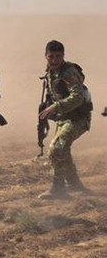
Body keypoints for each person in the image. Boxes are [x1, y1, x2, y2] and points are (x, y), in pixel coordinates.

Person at [37, 40, 94, 199]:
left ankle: (58, 188)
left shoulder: (68, 72)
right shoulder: (51, 72)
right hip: (64, 118)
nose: (54, 60)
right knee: (63, 150)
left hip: (78, 119)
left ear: (63, 56)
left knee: (56, 148)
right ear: (45, 56)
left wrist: (55, 107)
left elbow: (78, 97)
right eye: (51, 57)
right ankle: (75, 185)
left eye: (58, 56)